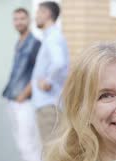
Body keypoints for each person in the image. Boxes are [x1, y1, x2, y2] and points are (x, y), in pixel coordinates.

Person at [2, 7, 46, 161]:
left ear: (28, 20)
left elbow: (39, 72)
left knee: (29, 146)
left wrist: (24, 93)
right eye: (16, 19)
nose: (19, 22)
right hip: (12, 99)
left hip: (24, 102)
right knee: (22, 147)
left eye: (22, 18)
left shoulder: (35, 43)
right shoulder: (19, 43)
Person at [31, 1, 69, 148]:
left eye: (38, 13)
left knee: (51, 152)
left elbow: (59, 63)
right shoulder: (49, 37)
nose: (36, 17)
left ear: (47, 14)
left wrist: (48, 81)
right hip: (47, 104)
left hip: (48, 104)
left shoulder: (53, 37)